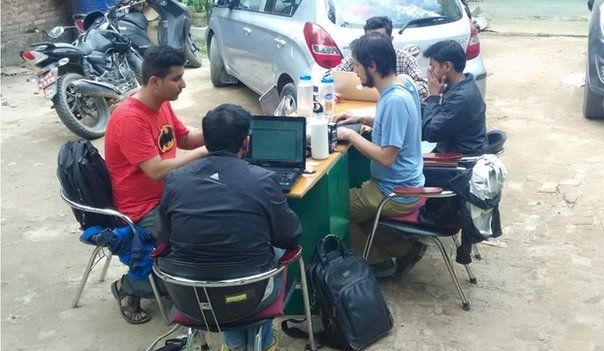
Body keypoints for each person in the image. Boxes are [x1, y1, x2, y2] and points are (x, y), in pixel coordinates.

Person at [159, 104, 302, 351]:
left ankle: (234, 344)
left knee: (229, 271)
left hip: (190, 297)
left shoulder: (175, 179)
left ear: (207, 139)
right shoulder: (262, 180)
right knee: (273, 257)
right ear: (245, 143)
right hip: (249, 295)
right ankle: (263, 343)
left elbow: (165, 238)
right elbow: (290, 236)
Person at [105, 45, 206, 324]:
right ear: (154, 82)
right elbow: (156, 170)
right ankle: (129, 288)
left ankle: (180, 285)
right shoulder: (130, 118)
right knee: (186, 240)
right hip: (141, 206)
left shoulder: (161, 106)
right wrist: (205, 152)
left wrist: (222, 129)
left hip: (169, 192)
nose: (183, 84)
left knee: (214, 219)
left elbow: (183, 138)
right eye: (176, 78)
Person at [335, 33, 426, 278]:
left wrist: (351, 135)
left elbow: (386, 158)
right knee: (353, 198)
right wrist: (362, 118)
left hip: (394, 191)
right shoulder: (403, 83)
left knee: (335, 209)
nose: (355, 71)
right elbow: (394, 124)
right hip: (407, 181)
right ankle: (404, 247)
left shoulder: (394, 100)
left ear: (372, 65)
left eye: (357, 65)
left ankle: (378, 261)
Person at [334, 16, 428, 99]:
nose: (374, 43)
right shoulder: (359, 56)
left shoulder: (405, 58)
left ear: (390, 40)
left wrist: (394, 88)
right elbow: (330, 77)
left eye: (379, 38)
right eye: (370, 39)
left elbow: (423, 88)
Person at [422, 40, 488, 156]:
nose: (430, 72)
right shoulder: (462, 86)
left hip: (456, 162)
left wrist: (433, 97)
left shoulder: (462, 99)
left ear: (447, 66)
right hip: (449, 150)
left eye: (433, 67)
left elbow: (430, 132)